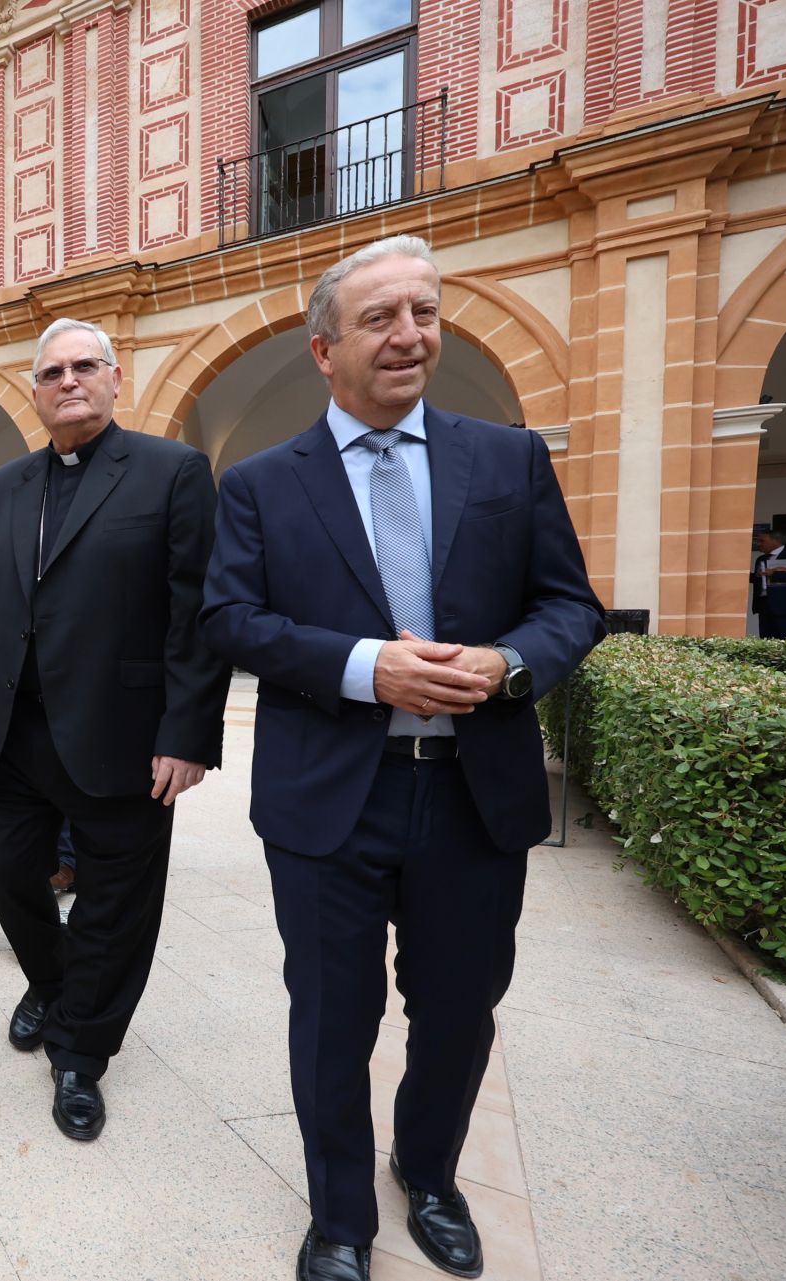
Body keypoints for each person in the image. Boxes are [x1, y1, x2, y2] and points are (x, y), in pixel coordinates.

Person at [201, 235, 604, 1281]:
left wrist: (511, 663)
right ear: (324, 348)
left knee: (461, 1008)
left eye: (424, 312)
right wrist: (361, 666)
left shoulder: (507, 458)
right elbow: (230, 620)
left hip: (474, 796)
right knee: (334, 1017)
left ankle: (428, 1175)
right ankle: (341, 1216)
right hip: (329, 796)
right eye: (381, 317)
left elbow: (571, 606)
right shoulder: (257, 486)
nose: (410, 334)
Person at [0, 318, 229, 1142]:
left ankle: (80, 1051)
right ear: (33, 393)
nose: (67, 381)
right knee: (6, 876)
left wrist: (188, 732)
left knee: (117, 903)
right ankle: (60, 981)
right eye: (51, 373)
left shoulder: (173, 473)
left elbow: (196, 614)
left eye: (83, 367)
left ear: (114, 379)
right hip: (11, 733)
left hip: (125, 734)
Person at [753, 524, 786, 638]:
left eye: (763, 541)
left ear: (776, 541)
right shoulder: (761, 559)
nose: (760, 544)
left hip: (785, 606)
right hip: (764, 604)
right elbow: (758, 579)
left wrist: (775, 574)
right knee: (766, 639)